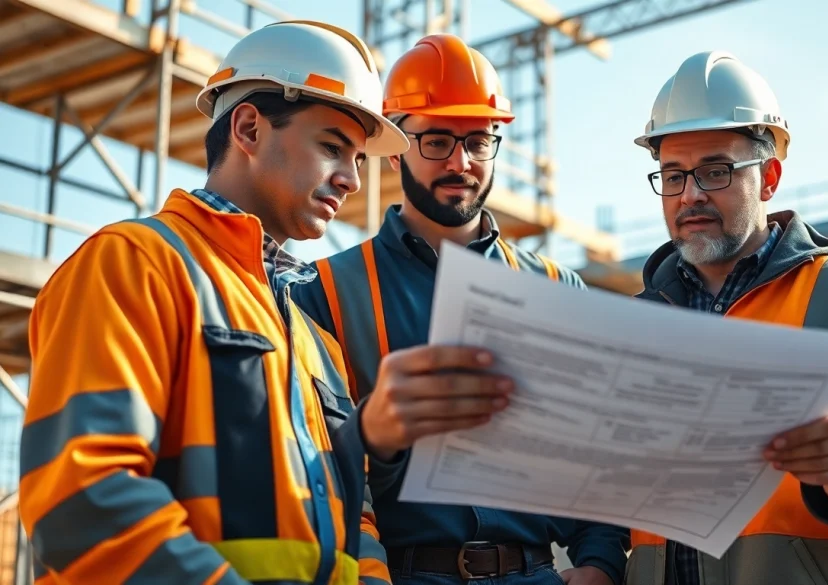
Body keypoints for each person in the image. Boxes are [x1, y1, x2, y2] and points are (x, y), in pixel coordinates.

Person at [18, 21, 501, 585]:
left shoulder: (310, 331)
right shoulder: (134, 265)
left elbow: (355, 519)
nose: (351, 180)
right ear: (248, 128)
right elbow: (84, 500)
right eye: (332, 147)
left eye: (360, 161)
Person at [290, 33, 629, 585]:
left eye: (478, 140)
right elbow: (313, 467)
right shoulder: (323, 292)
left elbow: (593, 454)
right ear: (397, 145)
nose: (460, 162)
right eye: (437, 141)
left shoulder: (555, 287)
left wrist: (599, 562)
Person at [621, 50, 828, 585]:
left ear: (770, 177)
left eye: (715, 171)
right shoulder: (635, 326)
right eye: (672, 175)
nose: (690, 195)